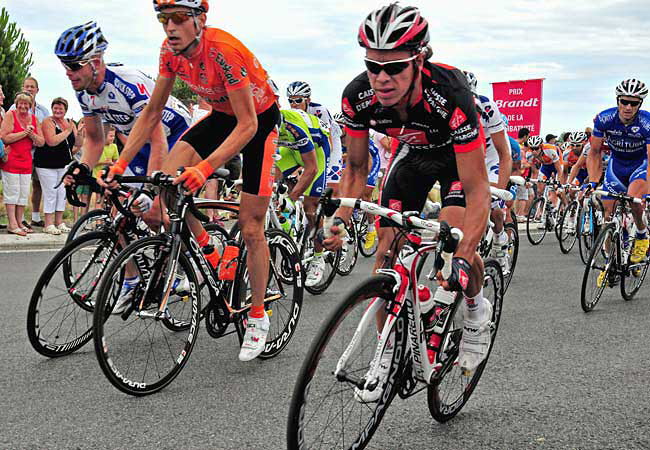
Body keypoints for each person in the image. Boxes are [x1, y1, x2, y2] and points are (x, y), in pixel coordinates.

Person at [326, 4, 491, 398]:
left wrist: (466, 253)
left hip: (455, 160)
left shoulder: (449, 93)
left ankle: (474, 311)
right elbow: (356, 167)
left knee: (452, 238)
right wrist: (341, 215)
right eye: (372, 65)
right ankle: (385, 353)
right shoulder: (357, 96)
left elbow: (477, 189)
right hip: (412, 159)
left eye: (395, 67)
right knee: (385, 254)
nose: (382, 78)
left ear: (420, 59)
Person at [104, 0, 280, 362]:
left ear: (200, 19)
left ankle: (259, 314)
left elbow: (247, 125)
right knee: (165, 182)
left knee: (250, 227)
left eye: (179, 19)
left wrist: (205, 168)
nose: (170, 27)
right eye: (163, 19)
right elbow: (152, 111)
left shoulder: (224, 51)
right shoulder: (169, 53)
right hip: (219, 116)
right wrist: (120, 164)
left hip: (258, 122)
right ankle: (211, 251)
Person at [588, 78, 650, 268]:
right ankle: (611, 261)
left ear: (640, 104)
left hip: (640, 164)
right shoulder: (604, 119)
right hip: (617, 165)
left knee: (634, 201)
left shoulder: (646, 122)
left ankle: (641, 234)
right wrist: (593, 181)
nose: (628, 107)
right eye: (624, 101)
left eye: (633, 103)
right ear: (617, 101)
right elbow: (594, 152)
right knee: (607, 211)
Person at [275, 108, 330, 286]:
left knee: (310, 206)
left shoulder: (293, 126)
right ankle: (287, 221)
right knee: (269, 186)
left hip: (317, 151)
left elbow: (311, 168)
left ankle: (318, 258)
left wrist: (292, 198)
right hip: (290, 150)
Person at [286, 81, 343, 193]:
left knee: (331, 185)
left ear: (308, 100)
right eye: (290, 101)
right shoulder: (291, 114)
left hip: (331, 142)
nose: (294, 104)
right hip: (310, 144)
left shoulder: (319, 111)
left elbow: (329, 143)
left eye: (298, 100)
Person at [0, 92, 45, 236]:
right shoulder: (10, 115)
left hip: (26, 162)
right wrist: (25, 133)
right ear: (17, 104)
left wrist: (32, 134)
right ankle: (12, 224)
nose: (23, 106)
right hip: (11, 160)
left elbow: (41, 142)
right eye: (21, 103)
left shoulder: (34, 119)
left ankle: (19, 222)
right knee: (12, 193)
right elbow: (4, 137)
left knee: (23, 194)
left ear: (30, 105)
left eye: (27, 104)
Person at [36, 97, 82, 234]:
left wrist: (79, 133)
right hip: (46, 164)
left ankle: (59, 222)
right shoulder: (48, 122)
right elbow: (51, 141)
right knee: (51, 192)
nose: (57, 110)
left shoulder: (70, 123)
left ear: (65, 110)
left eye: (60, 108)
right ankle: (48, 224)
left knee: (62, 193)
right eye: (55, 108)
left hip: (64, 165)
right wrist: (67, 131)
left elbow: (77, 145)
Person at [9, 77, 50, 229]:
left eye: (32, 87)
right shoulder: (14, 108)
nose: (29, 89)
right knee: (18, 187)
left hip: (37, 153)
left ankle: (35, 217)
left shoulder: (43, 111)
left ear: (37, 90)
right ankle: (18, 220)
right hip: (19, 153)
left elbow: (45, 132)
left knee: (37, 185)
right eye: (27, 86)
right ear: (22, 87)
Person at [92, 125, 120, 208]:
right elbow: (92, 163)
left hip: (109, 176)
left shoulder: (114, 146)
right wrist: (104, 163)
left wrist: (112, 164)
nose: (112, 138)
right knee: (99, 198)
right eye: (110, 136)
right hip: (97, 175)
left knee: (110, 197)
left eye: (114, 136)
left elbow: (116, 161)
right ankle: (98, 220)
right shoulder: (98, 146)